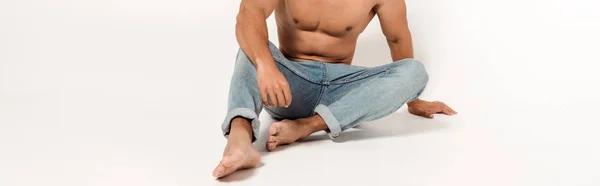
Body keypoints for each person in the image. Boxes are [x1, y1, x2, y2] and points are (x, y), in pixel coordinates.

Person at [212, 0, 457, 178]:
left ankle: (306, 127)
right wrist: (266, 66)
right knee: (251, 47)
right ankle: (240, 139)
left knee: (415, 71)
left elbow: (397, 39)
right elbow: (248, 14)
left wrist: (411, 99)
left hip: (342, 89)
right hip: (289, 85)